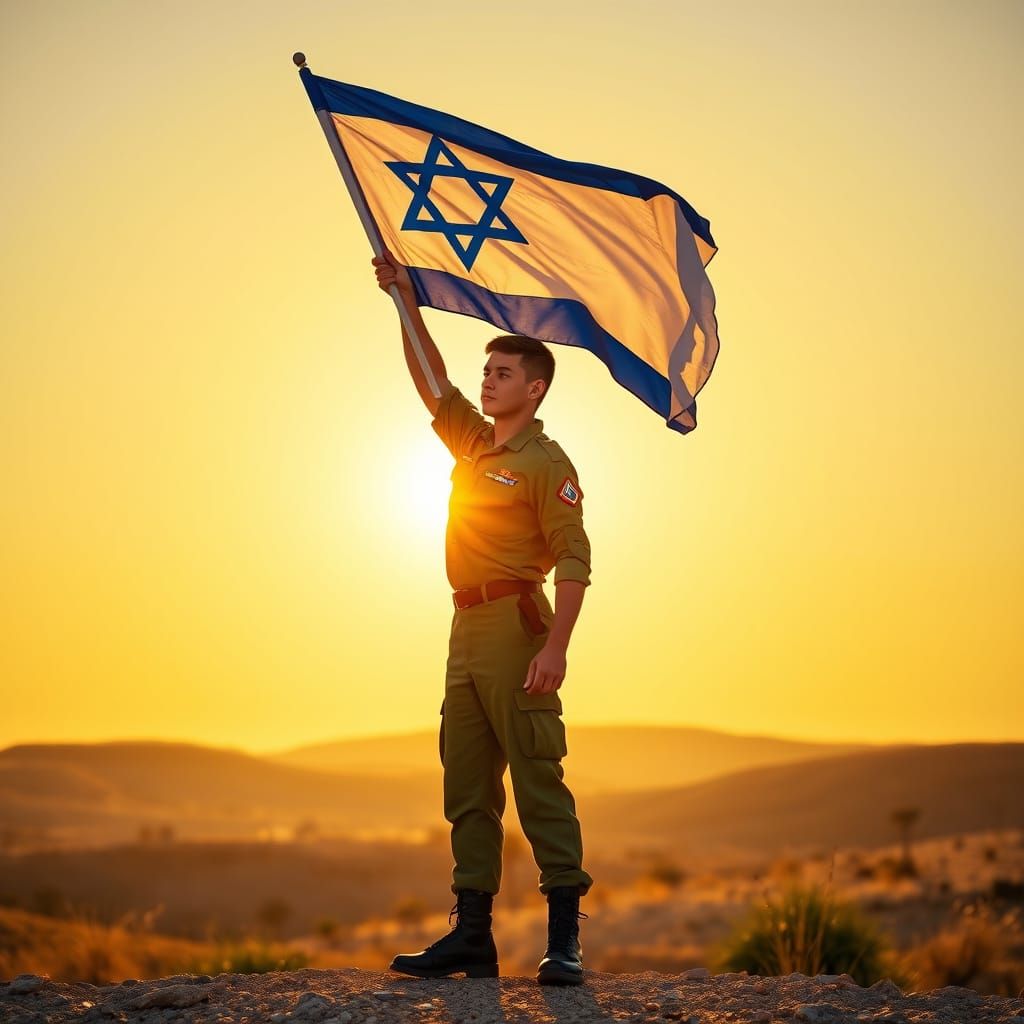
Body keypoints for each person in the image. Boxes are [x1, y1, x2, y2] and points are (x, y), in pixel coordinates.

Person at [372, 249, 594, 986]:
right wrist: (403, 299)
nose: (488, 380)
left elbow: (574, 559)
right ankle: (472, 937)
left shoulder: (546, 463)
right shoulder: (472, 444)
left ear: (534, 388)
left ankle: (564, 941)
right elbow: (433, 383)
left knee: (536, 779)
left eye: (502, 373)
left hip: (516, 627)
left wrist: (556, 647)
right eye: (487, 370)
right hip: (464, 627)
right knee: (466, 785)